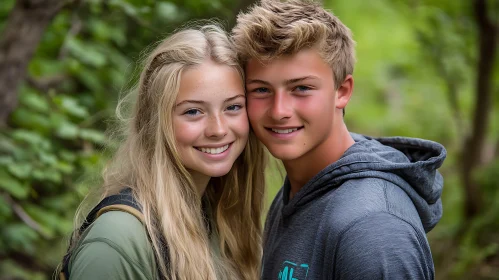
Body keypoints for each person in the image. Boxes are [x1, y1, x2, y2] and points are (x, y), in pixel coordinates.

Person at [232, 0, 446, 279]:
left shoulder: (373, 229)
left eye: (301, 88)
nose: (279, 111)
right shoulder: (301, 189)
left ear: (342, 91)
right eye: (261, 90)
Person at [60, 24, 267, 280]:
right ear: (157, 123)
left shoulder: (220, 221)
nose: (218, 129)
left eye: (233, 107)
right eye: (193, 111)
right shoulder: (118, 241)